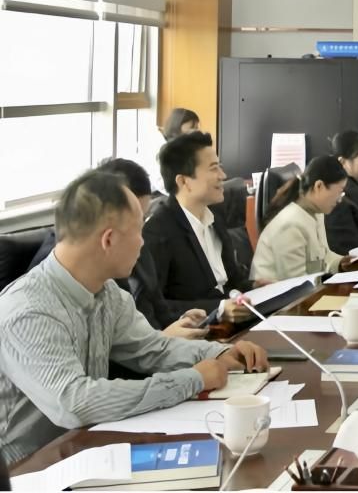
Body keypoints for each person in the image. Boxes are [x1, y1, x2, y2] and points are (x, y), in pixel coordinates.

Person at [0, 169, 269, 465]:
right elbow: (75, 403)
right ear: (108, 240)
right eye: (139, 230)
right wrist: (192, 380)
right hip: (25, 468)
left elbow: (153, 348)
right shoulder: (28, 311)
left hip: (82, 446)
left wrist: (219, 353)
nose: (143, 243)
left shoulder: (106, 293)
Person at [26, 159, 209, 339]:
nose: (141, 238)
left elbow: (153, 321)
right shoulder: (42, 298)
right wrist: (164, 338)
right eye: (135, 224)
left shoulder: (112, 290)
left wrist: (180, 323)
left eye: (143, 220)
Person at [144, 132, 254, 320]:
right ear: (184, 181)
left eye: (220, 167)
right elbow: (154, 306)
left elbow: (231, 282)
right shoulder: (158, 231)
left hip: (236, 324)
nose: (223, 176)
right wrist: (218, 310)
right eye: (213, 169)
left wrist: (254, 286)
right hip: (200, 332)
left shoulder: (214, 216)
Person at [252, 156, 352, 279]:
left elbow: (323, 255)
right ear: (319, 186)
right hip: (280, 290)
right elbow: (297, 283)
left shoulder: (317, 213)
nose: (339, 199)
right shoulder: (290, 224)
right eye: (339, 192)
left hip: (308, 286)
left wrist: (341, 263)